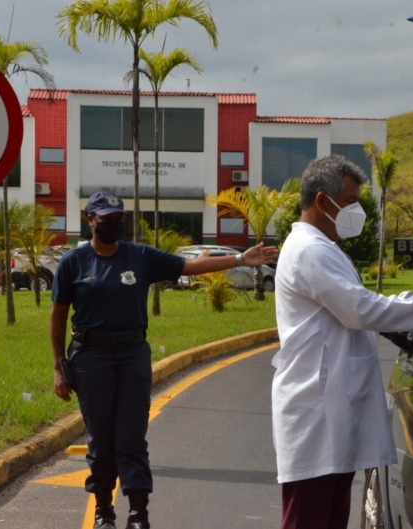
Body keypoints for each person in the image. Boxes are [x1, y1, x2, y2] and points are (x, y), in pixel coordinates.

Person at [50, 191, 278, 529]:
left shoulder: (139, 256)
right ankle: (103, 512)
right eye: (105, 218)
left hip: (131, 355)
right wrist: (58, 367)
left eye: (117, 218)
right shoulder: (74, 263)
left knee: (131, 436)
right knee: (100, 437)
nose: (112, 223)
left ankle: (138, 513)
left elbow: (189, 264)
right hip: (90, 357)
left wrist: (240, 261)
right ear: (90, 220)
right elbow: (57, 318)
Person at [271, 154, 413, 529]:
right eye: (348, 203)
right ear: (322, 202)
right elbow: (362, 310)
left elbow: (369, 307)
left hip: (332, 417)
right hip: (317, 416)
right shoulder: (309, 251)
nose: (355, 212)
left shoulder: (326, 250)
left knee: (328, 519)